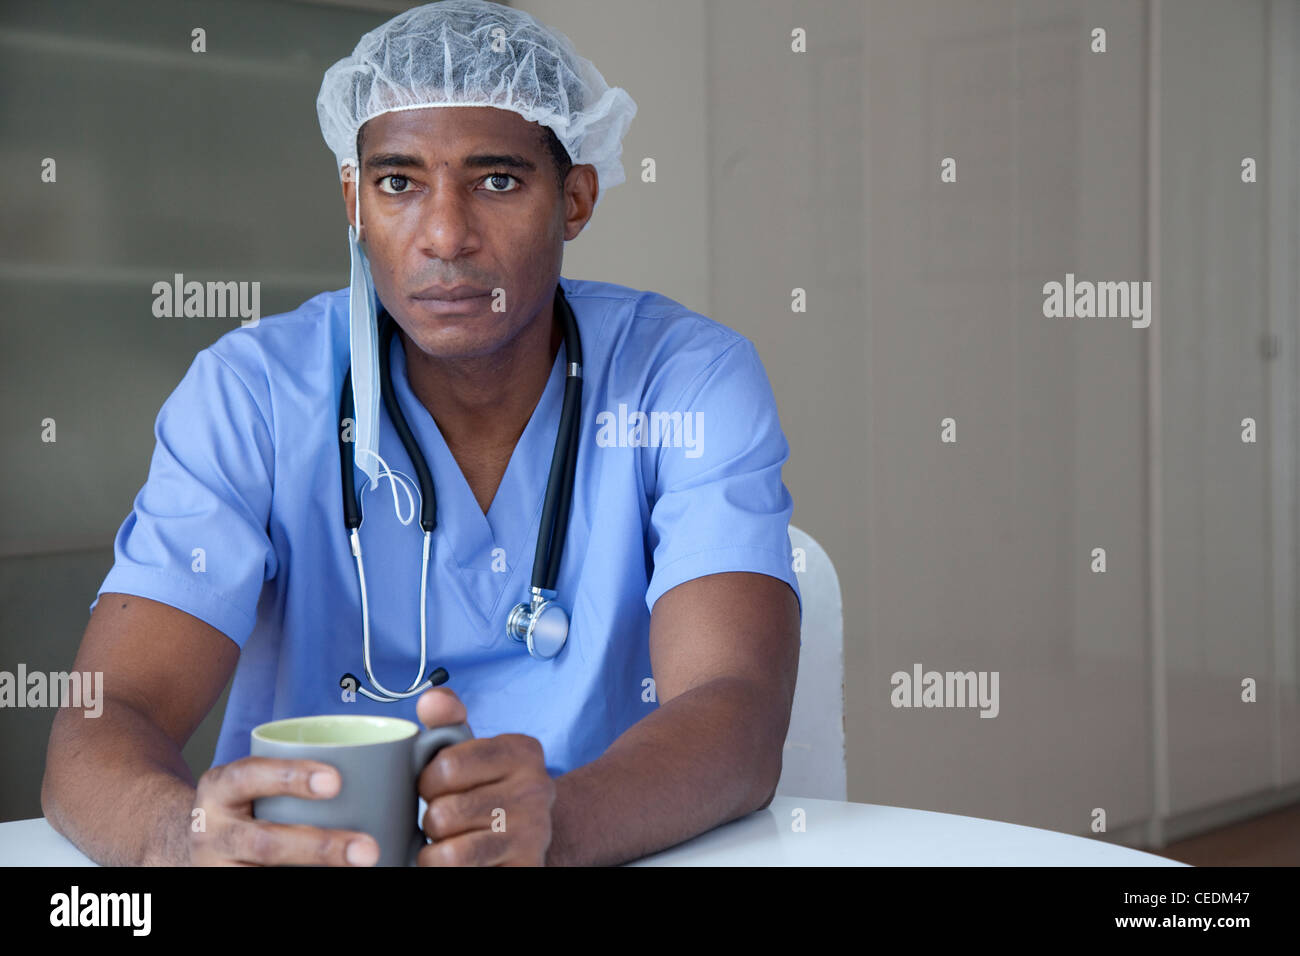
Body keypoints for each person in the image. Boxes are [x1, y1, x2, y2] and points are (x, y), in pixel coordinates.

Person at [41, 0, 801, 867]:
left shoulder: (686, 380)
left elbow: (737, 712)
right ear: (353, 202)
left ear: (577, 197)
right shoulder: (253, 394)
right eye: (398, 183)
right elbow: (104, 719)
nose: (445, 237)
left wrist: (561, 822)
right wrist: (180, 841)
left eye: (498, 181)